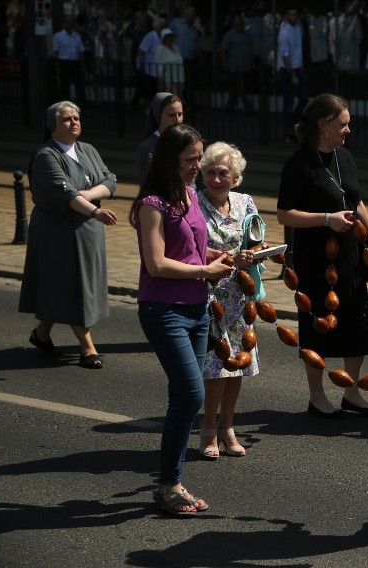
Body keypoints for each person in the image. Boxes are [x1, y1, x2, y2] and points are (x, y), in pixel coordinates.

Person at [131, 123, 235, 516]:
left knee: (182, 396)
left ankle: (168, 482)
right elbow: (156, 264)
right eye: (191, 159)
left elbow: (194, 253)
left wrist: (220, 261)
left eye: (199, 158)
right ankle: (170, 483)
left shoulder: (191, 196)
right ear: (170, 160)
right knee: (192, 394)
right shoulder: (151, 204)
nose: (198, 165)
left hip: (196, 308)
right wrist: (204, 272)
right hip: (164, 310)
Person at [276, 93, 368, 418]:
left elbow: (356, 200)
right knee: (317, 325)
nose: (348, 130)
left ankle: (351, 393)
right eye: (343, 124)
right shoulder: (298, 164)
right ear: (323, 125)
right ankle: (317, 396)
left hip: (351, 256)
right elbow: (284, 214)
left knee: (358, 322)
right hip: (316, 259)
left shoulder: (344, 157)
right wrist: (326, 219)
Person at [19, 101, 118, 369]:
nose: (73, 122)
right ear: (52, 124)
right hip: (58, 231)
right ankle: (87, 347)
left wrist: (87, 195)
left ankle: (41, 334)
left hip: (87, 231)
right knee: (72, 286)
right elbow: (65, 194)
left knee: (64, 285)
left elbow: (110, 180)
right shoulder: (45, 156)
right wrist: (94, 211)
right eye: (66, 119)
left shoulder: (88, 150)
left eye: (76, 117)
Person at [197, 142, 260, 459]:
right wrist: (228, 257)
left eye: (223, 173)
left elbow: (257, 240)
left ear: (235, 177)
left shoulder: (245, 203)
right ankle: (208, 428)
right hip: (208, 294)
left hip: (240, 295)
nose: (216, 178)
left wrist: (255, 253)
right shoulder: (194, 203)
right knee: (214, 368)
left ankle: (228, 427)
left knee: (238, 365)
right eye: (210, 172)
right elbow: (189, 247)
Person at [137, 92, 184, 185]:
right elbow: (148, 186)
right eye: (171, 115)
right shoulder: (148, 149)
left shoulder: (186, 142)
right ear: (158, 115)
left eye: (180, 114)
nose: (177, 120)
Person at [277, 6, 309, 142]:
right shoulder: (284, 32)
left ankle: (294, 124)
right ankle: (288, 132)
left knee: (304, 98)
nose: (294, 17)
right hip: (288, 69)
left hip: (297, 67)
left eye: (295, 14)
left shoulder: (297, 29)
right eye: (291, 14)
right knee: (288, 101)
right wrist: (293, 75)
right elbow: (285, 55)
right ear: (286, 16)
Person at [220, 15, 255, 112]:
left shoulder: (247, 35)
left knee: (236, 89)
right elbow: (223, 50)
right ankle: (249, 109)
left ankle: (229, 108)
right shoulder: (229, 35)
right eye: (237, 23)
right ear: (233, 24)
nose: (239, 25)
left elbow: (251, 49)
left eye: (241, 23)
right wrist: (225, 63)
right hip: (235, 66)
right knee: (241, 88)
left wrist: (252, 63)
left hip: (246, 66)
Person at [52, 16, 86, 106]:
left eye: (71, 23)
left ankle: (83, 105)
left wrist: (82, 66)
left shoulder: (76, 36)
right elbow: (56, 52)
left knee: (79, 85)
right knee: (64, 86)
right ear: (64, 24)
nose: (70, 25)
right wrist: (56, 66)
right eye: (67, 23)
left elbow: (81, 52)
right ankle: (63, 105)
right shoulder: (58, 36)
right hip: (64, 62)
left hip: (75, 62)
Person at [155, 28, 184, 95]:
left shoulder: (176, 47)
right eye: (169, 37)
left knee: (179, 97)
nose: (171, 38)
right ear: (164, 38)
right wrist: (160, 81)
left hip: (180, 77)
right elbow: (159, 67)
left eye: (172, 36)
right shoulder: (160, 49)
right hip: (169, 79)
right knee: (173, 98)